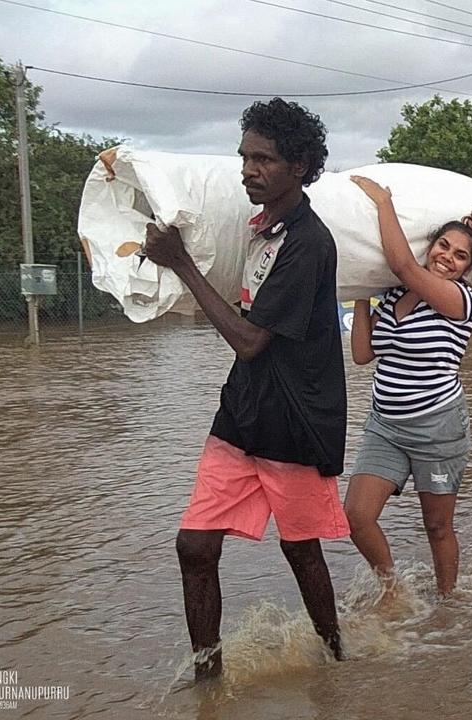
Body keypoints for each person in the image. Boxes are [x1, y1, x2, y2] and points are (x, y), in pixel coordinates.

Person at [144, 99, 348, 681]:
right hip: (243, 410)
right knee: (194, 547)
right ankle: (208, 677)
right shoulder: (262, 230)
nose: (248, 170)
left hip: (295, 420)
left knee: (301, 549)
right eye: (244, 157)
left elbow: (251, 340)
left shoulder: (309, 242)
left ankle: (336, 658)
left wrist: (181, 263)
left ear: (302, 166)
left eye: (264, 159)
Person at [344, 177, 472, 598]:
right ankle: (394, 590)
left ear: (466, 268)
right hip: (384, 423)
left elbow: (405, 264)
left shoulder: (459, 301)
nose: (448, 257)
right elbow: (363, 354)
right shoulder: (393, 294)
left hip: (437, 429)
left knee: (437, 526)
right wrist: (362, 290)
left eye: (460, 255)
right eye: (443, 246)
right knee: (357, 516)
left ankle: (447, 602)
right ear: (431, 245)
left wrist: (385, 202)